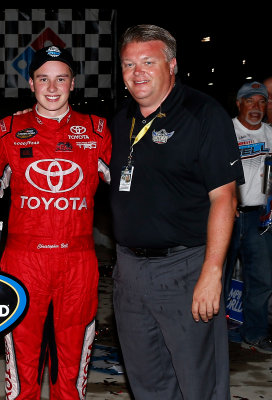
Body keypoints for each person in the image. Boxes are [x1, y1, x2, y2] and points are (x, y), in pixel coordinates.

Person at [0, 45, 111, 400]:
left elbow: (134, 183)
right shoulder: (9, 128)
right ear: (31, 84)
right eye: (43, 79)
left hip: (78, 261)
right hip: (24, 260)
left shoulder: (97, 130)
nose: (52, 88)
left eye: (61, 79)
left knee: (71, 371)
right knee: (22, 364)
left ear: (73, 83)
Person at [109, 25, 244, 400]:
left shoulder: (203, 114)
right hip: (130, 273)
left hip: (185, 270)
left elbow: (225, 199)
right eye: (128, 64)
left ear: (172, 65)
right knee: (147, 382)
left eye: (148, 62)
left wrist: (212, 274)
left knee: (198, 384)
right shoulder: (122, 121)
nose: (137, 72)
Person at [223, 81, 272, 352]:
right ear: (239, 104)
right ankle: (214, 334)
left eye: (261, 102)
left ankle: (254, 334)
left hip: (260, 220)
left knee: (262, 279)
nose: (256, 107)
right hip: (227, 216)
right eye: (250, 101)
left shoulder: (271, 134)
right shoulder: (225, 131)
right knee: (220, 277)